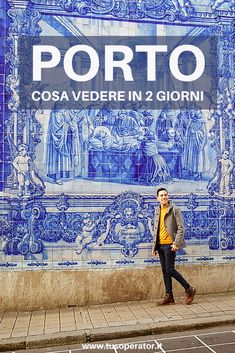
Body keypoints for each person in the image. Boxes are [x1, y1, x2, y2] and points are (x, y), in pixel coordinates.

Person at [152, 188, 196, 305]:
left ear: (168, 196)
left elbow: (181, 228)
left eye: (165, 195)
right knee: (165, 271)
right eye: (161, 195)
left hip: (170, 244)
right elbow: (156, 229)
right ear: (157, 198)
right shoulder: (157, 210)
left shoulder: (174, 209)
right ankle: (169, 296)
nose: (164, 197)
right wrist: (154, 247)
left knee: (170, 270)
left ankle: (189, 289)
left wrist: (176, 243)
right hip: (160, 245)